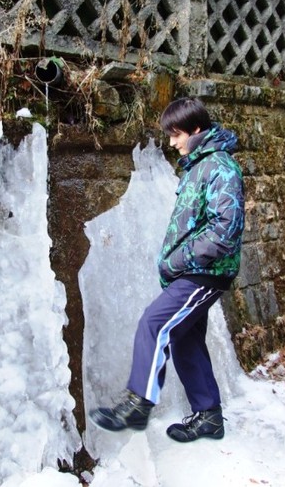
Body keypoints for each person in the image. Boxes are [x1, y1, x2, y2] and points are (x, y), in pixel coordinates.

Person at [88, 97, 245, 443]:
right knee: (182, 335)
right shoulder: (197, 165)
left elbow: (224, 231)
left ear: (197, 130)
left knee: (154, 323)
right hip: (193, 269)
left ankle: (137, 404)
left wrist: (177, 260)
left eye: (177, 135)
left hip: (205, 271)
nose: (172, 143)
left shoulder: (221, 167)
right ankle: (208, 416)